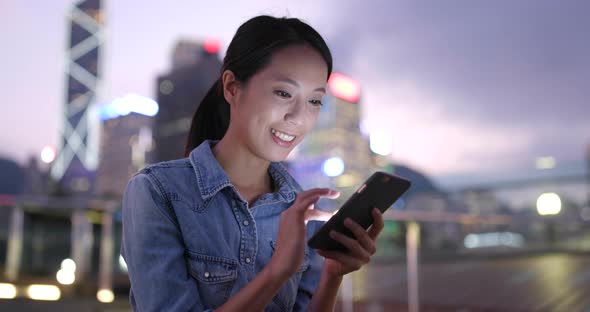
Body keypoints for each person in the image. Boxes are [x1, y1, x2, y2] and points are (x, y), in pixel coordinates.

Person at [121, 15, 384, 312]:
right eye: (284, 93)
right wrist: (276, 272)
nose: (298, 117)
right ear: (232, 87)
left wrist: (332, 275)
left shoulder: (303, 212)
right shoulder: (157, 192)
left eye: (314, 101)